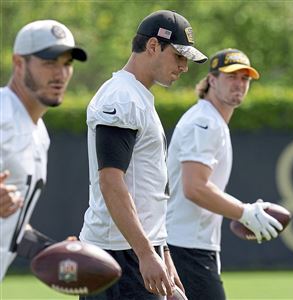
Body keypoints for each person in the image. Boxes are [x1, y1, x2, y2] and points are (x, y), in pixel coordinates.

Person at [79, 10, 207, 300]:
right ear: (152, 46)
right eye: (179, 56)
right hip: (119, 256)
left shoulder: (135, 96)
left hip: (134, 251)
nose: (184, 67)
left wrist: (162, 251)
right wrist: (146, 253)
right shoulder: (122, 97)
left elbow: (146, 188)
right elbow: (111, 182)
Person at [166, 48, 283, 300]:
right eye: (231, 77)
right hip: (185, 248)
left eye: (245, 78)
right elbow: (194, 187)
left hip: (189, 246)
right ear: (211, 80)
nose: (239, 84)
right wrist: (244, 212)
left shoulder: (210, 120)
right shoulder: (205, 122)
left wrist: (244, 210)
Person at [0, 19, 87, 281]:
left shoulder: (39, 133)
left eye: (67, 63)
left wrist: (48, 249)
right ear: (19, 63)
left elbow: (12, 223)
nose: (60, 74)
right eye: (49, 62)